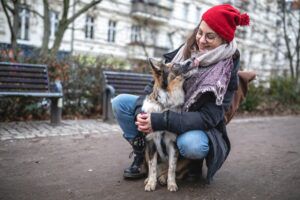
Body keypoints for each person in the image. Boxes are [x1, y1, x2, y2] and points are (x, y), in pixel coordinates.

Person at [111, 4, 250, 182]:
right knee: (121, 102)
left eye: (210, 36)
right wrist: (142, 113)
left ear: (223, 40)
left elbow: (209, 117)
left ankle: (191, 162)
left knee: (192, 145)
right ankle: (141, 153)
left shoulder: (226, 69)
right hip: (168, 107)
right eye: (200, 32)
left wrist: (161, 120)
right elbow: (152, 86)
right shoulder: (185, 50)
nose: (201, 40)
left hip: (198, 124)